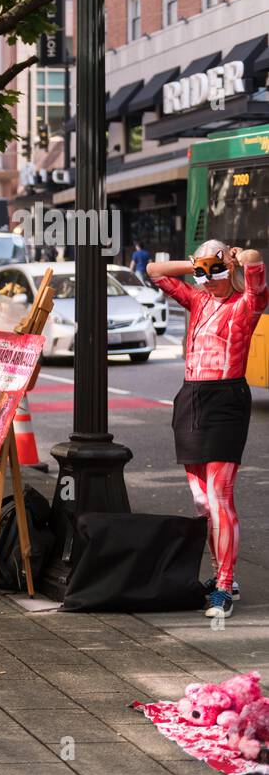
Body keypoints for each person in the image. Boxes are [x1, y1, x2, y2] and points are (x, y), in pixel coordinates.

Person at [148, 241, 265, 619]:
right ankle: (221, 577)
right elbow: (155, 270)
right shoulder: (197, 300)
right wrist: (198, 264)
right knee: (202, 503)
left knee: (219, 495)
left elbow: (255, 267)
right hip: (191, 399)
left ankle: (224, 584)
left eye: (214, 274)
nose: (207, 281)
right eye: (202, 274)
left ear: (228, 271)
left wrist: (235, 258)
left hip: (226, 399)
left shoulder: (245, 305)